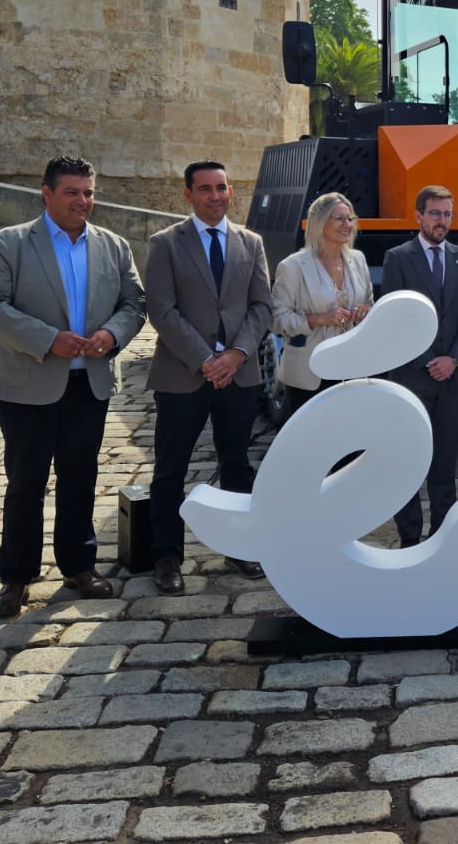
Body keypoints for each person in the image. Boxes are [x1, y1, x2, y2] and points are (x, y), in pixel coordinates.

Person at [0, 156, 146, 619]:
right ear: (46, 194)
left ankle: (79, 566)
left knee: (80, 477)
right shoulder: (9, 244)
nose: (83, 201)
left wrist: (112, 335)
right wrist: (49, 340)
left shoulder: (113, 246)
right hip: (28, 384)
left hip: (89, 383)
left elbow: (134, 303)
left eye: (88, 193)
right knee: (25, 482)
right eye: (72, 192)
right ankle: (16, 577)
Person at [143, 161, 272, 595]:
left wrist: (235, 355)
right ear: (188, 194)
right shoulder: (165, 244)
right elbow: (161, 310)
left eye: (222, 188)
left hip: (239, 374)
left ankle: (240, 547)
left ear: (230, 191)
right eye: (205, 189)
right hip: (183, 375)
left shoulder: (250, 242)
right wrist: (205, 359)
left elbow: (261, 307)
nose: (215, 196)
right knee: (170, 468)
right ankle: (167, 557)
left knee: (236, 463)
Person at [381, 185, 458, 546]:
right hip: (413, 377)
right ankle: (410, 537)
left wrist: (453, 360)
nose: (442, 222)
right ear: (419, 216)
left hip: (452, 379)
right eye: (436, 214)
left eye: (448, 215)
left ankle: (441, 537)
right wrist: (428, 362)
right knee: (409, 460)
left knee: (444, 463)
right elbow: (395, 317)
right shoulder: (398, 258)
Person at [270, 193, 374, 419]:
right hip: (309, 373)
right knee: (312, 445)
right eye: (339, 219)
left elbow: (369, 303)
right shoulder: (293, 266)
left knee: (349, 441)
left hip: (351, 368)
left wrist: (365, 311)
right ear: (320, 222)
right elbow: (276, 319)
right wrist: (318, 318)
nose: (347, 225)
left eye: (350, 219)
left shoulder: (358, 260)